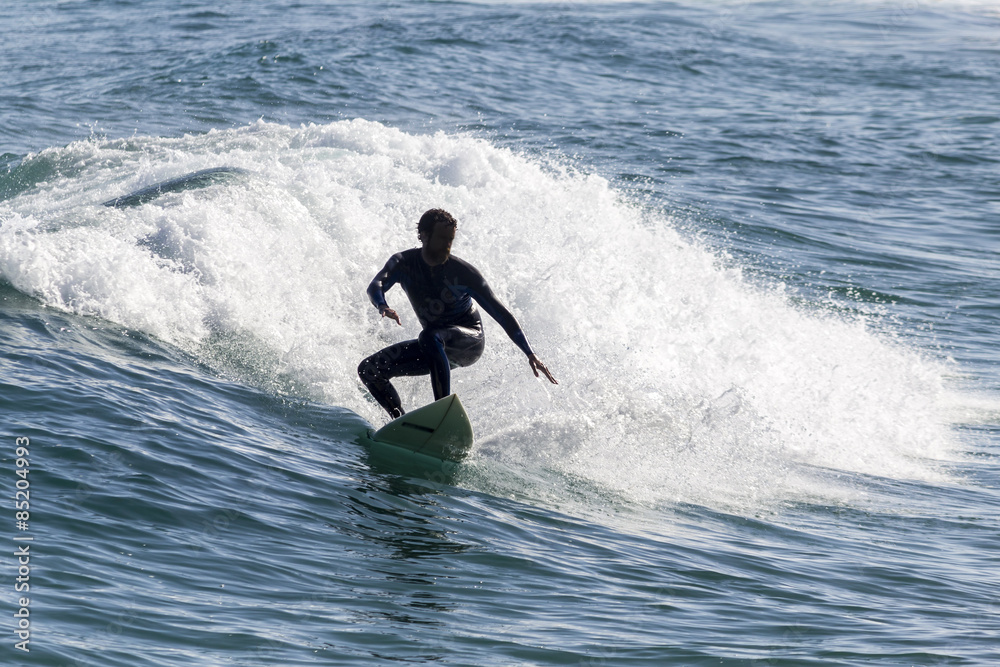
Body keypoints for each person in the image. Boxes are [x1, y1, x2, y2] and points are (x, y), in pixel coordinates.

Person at [358, 209, 557, 419]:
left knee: (429, 335)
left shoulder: (463, 272)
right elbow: (376, 284)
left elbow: (501, 314)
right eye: (442, 238)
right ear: (424, 235)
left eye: (451, 239)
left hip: (468, 341)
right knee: (369, 370)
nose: (447, 245)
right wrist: (382, 306)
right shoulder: (403, 263)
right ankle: (402, 424)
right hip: (435, 346)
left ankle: (443, 412)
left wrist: (529, 353)